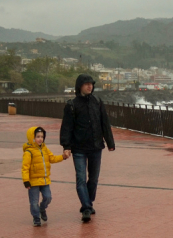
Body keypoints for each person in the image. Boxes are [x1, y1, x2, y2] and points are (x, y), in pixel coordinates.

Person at [60, 74, 115, 223]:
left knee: (94, 179)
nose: (89, 86)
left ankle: (88, 202)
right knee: (80, 179)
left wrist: (110, 143)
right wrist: (67, 146)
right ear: (80, 86)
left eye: (91, 84)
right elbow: (67, 127)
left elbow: (105, 123)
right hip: (78, 148)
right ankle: (86, 208)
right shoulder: (72, 105)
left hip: (96, 146)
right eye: (86, 84)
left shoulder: (97, 101)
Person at [22, 126, 67, 227]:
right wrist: (26, 180)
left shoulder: (45, 148)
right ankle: (36, 218)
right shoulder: (28, 152)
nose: (40, 139)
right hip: (33, 181)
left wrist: (63, 157)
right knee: (34, 202)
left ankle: (42, 208)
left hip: (45, 180)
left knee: (48, 197)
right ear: (32, 138)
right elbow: (25, 167)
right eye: (37, 136)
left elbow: (52, 158)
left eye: (42, 136)